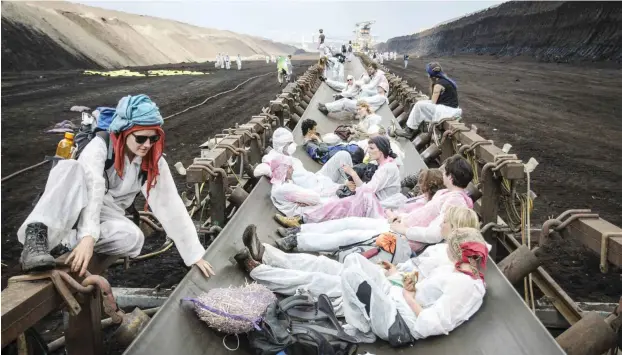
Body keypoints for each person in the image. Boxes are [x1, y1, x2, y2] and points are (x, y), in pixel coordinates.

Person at [17, 95, 215, 278]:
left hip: (108, 212)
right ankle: (35, 240)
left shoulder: (153, 160)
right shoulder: (100, 146)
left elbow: (169, 203)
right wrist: (88, 237)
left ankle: (66, 242)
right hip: (76, 203)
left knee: (133, 238)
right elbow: (93, 190)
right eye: (140, 138)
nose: (147, 144)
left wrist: (194, 254)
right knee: (71, 168)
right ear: (124, 133)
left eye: (153, 138)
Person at [235, 226, 488, 343]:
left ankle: (261, 271)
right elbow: (426, 293)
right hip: (392, 297)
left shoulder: (464, 286)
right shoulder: (460, 274)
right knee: (346, 263)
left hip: (396, 322)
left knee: (329, 279)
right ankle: (267, 255)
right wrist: (398, 277)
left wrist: (408, 296)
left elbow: (430, 324)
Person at [274, 168, 444, 253]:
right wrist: (394, 216)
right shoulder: (424, 200)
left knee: (350, 234)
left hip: (396, 234)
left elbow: (419, 229)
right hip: (389, 222)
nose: (419, 187)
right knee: (348, 222)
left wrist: (395, 219)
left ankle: (298, 241)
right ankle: (299, 231)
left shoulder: (430, 206)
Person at [274, 136, 403, 229]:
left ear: (380, 151)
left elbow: (368, 190)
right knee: (341, 199)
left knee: (341, 203)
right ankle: (304, 219)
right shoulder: (384, 164)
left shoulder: (387, 168)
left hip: (379, 206)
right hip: (373, 201)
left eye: (371, 148)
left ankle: (302, 220)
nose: (368, 150)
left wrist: (352, 174)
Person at [388, 154, 474, 244]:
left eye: (445, 172)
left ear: (450, 177)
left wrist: (404, 230)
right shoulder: (448, 193)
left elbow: (435, 234)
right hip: (405, 229)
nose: (443, 174)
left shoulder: (455, 202)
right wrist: (402, 217)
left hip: (410, 239)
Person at [255, 127, 351, 198]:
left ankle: (349, 180)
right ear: (281, 146)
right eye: (289, 143)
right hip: (316, 189)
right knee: (347, 189)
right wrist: (269, 170)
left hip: (317, 178)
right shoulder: (275, 160)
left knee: (343, 155)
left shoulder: (287, 155)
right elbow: (260, 169)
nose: (292, 145)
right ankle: (347, 185)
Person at [395, 62, 461, 139]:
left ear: (430, 74)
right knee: (420, 104)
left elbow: (433, 101)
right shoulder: (446, 80)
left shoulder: (438, 85)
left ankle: (409, 131)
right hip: (452, 108)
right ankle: (411, 128)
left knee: (419, 105)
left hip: (447, 110)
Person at [318, 80, 389, 116]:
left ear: (384, 89)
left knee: (345, 103)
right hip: (361, 105)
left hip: (362, 108)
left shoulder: (381, 98)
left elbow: (369, 101)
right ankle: (326, 106)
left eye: (380, 87)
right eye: (379, 87)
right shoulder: (379, 95)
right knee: (344, 100)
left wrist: (359, 100)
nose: (379, 88)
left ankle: (327, 109)